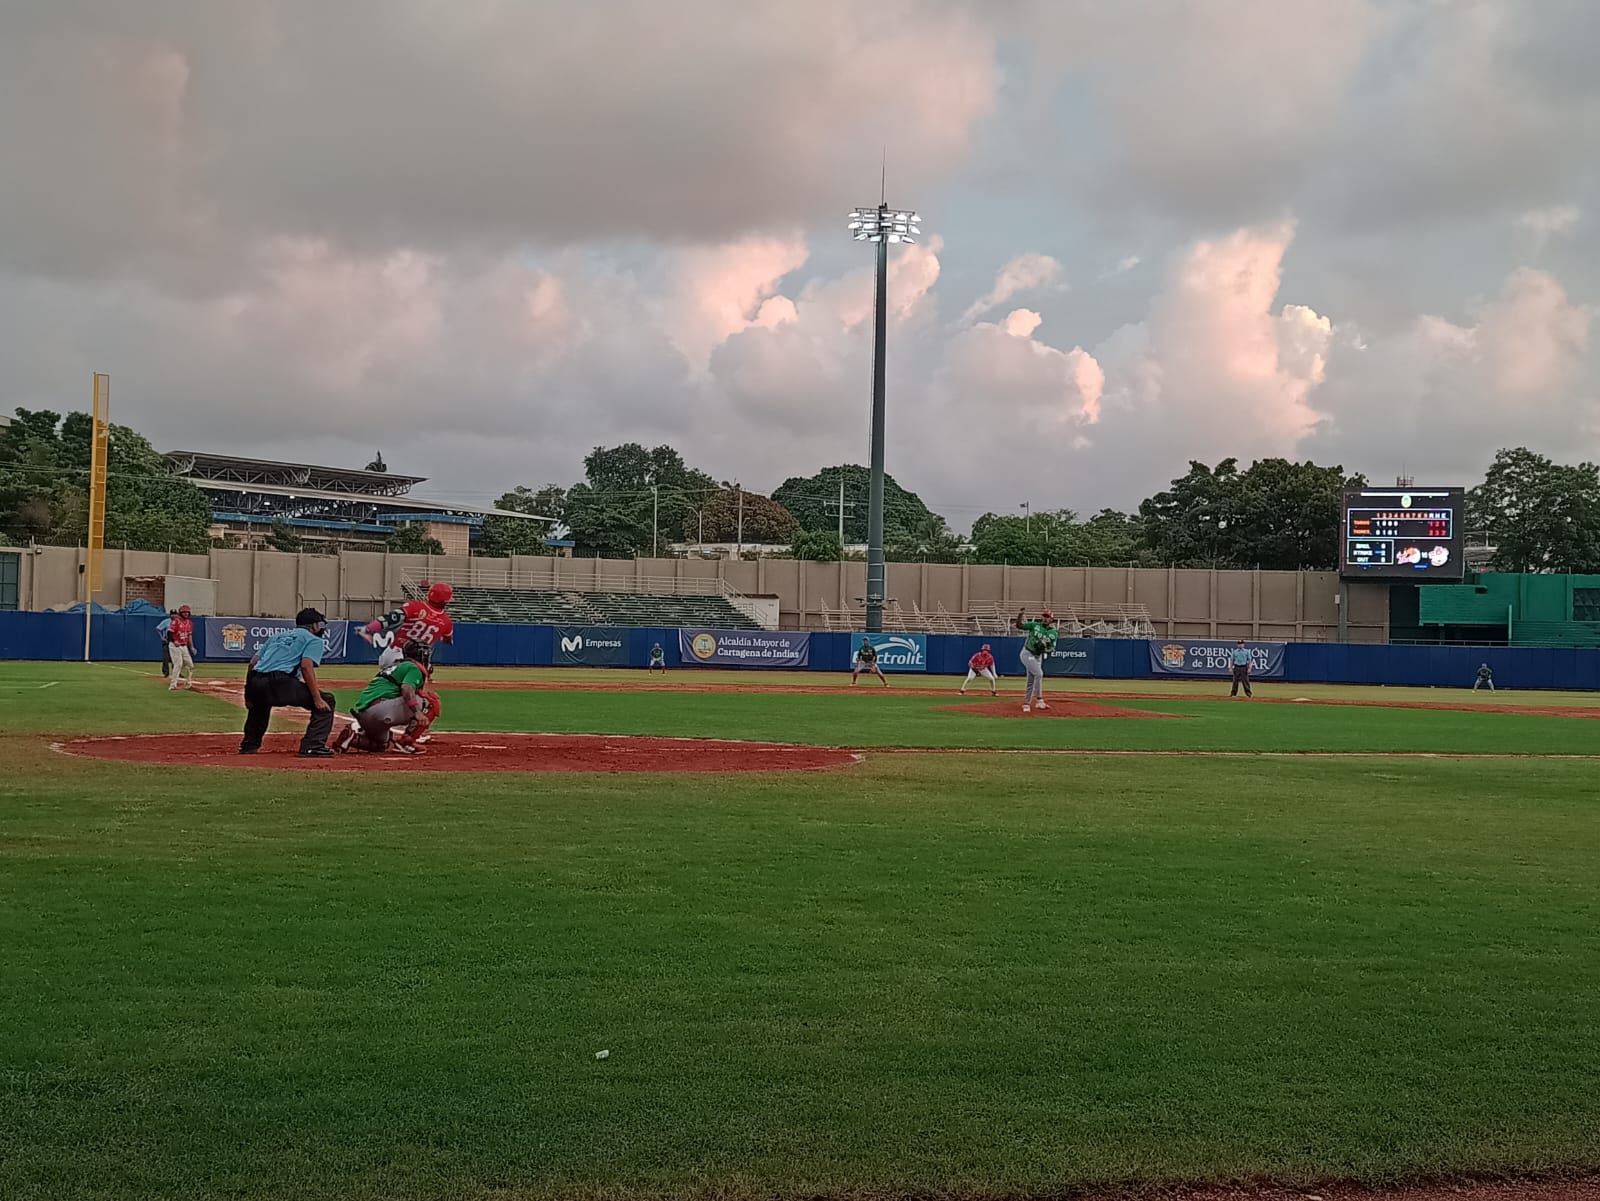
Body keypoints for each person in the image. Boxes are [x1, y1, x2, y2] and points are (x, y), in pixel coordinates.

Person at [240, 608, 336, 757]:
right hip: (279, 682)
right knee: (327, 701)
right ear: (314, 626)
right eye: (319, 625)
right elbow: (306, 666)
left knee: (259, 707)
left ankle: (249, 745)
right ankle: (313, 746)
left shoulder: (277, 636)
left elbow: (253, 664)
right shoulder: (314, 640)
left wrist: (248, 695)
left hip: (255, 680)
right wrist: (317, 698)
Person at [334, 642, 439, 755]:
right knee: (431, 701)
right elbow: (407, 689)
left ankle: (352, 737)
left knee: (381, 745)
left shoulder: (397, 666)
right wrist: (417, 712)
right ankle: (406, 742)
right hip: (381, 710)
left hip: (365, 714)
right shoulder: (414, 667)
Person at [361, 581, 455, 670]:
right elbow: (448, 640)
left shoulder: (415, 606)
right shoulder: (447, 622)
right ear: (444, 601)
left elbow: (393, 617)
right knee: (423, 667)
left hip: (392, 654)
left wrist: (372, 627)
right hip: (416, 660)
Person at [1015, 609, 1057, 713]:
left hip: (1038, 656)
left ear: (1051, 619)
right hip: (1028, 653)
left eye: (1047, 617)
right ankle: (1039, 700)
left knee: (1031, 679)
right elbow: (1019, 626)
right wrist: (1020, 615)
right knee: (1039, 674)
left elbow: (1052, 648)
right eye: (1044, 616)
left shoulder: (1053, 632)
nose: (1045, 618)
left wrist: (1044, 649)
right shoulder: (1035, 625)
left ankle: (1026, 704)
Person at [166, 605, 196, 691]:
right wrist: (174, 640)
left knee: (190, 665)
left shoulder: (189, 623)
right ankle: (173, 685)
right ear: (181, 613)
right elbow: (169, 633)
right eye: (184, 612)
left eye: (187, 612)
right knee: (178, 664)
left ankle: (188, 682)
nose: (186, 614)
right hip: (175, 645)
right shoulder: (176, 621)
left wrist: (192, 647)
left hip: (184, 646)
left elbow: (189, 635)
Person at [157, 609, 175, 678]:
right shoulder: (166, 621)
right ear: (170, 615)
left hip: (175, 641)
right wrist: (162, 637)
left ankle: (176, 672)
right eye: (172, 614)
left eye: (175, 614)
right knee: (166, 658)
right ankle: (166, 672)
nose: (173, 615)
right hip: (167, 641)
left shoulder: (178, 622)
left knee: (176, 658)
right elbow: (158, 628)